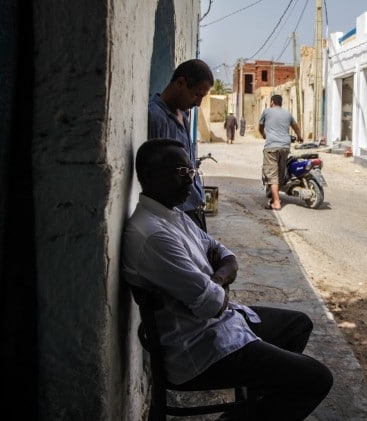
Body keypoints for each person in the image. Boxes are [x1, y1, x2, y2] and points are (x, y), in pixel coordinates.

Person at [122, 138, 333, 420]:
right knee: (317, 378)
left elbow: (224, 254)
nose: (190, 181)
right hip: (199, 349)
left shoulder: (173, 215)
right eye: (182, 173)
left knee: (298, 325)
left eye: (192, 172)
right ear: (150, 176)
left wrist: (217, 280)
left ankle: (255, 407)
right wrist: (220, 287)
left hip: (222, 325)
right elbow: (212, 305)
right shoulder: (153, 235)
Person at [148, 59, 213, 232]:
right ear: (180, 83)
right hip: (177, 217)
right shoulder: (156, 117)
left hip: (194, 208)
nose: (198, 103)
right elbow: (157, 178)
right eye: (197, 95)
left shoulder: (183, 114)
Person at [258, 94, 302, 211]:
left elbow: (260, 126)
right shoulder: (287, 113)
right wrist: (300, 136)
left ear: (272, 102)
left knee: (272, 175)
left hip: (272, 146)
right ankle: (276, 196)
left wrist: (263, 134)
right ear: (281, 103)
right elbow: (296, 127)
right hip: (285, 147)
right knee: (280, 172)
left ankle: (276, 202)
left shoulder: (266, 112)